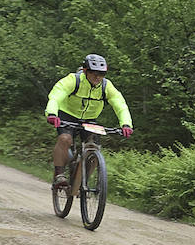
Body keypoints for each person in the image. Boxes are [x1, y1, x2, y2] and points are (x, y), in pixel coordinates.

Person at [44, 54, 132, 188]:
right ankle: (59, 175)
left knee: (94, 148)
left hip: (89, 120)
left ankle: (82, 182)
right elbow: (56, 96)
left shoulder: (106, 86)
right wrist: (51, 113)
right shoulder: (73, 80)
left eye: (101, 74)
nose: (97, 77)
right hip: (67, 115)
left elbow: (120, 105)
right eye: (93, 73)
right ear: (85, 71)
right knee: (65, 139)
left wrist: (126, 124)